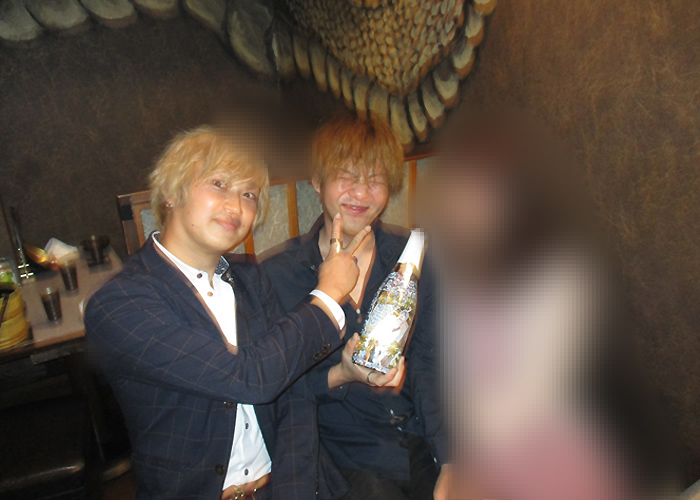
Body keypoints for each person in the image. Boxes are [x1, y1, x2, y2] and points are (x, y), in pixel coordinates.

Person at [84, 126, 402, 500]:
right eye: (219, 184)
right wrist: (329, 294)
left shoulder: (250, 279)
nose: (236, 207)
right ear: (171, 191)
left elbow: (293, 396)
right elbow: (247, 377)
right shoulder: (119, 302)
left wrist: (296, 491)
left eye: (248, 194)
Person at [424, 109, 679, 500]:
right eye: (460, 197)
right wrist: (458, 461)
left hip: (550, 449)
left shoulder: (561, 273)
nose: (468, 210)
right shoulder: (457, 276)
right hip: (485, 451)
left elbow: (540, 391)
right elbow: (459, 379)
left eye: (482, 195)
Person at [261, 114, 449, 500]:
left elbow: (430, 365)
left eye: (376, 178)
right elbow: (273, 391)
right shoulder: (277, 275)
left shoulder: (413, 259)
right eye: (346, 175)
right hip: (341, 456)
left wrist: (452, 460)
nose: (361, 193)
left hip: (418, 441)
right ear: (317, 180)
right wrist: (341, 375)